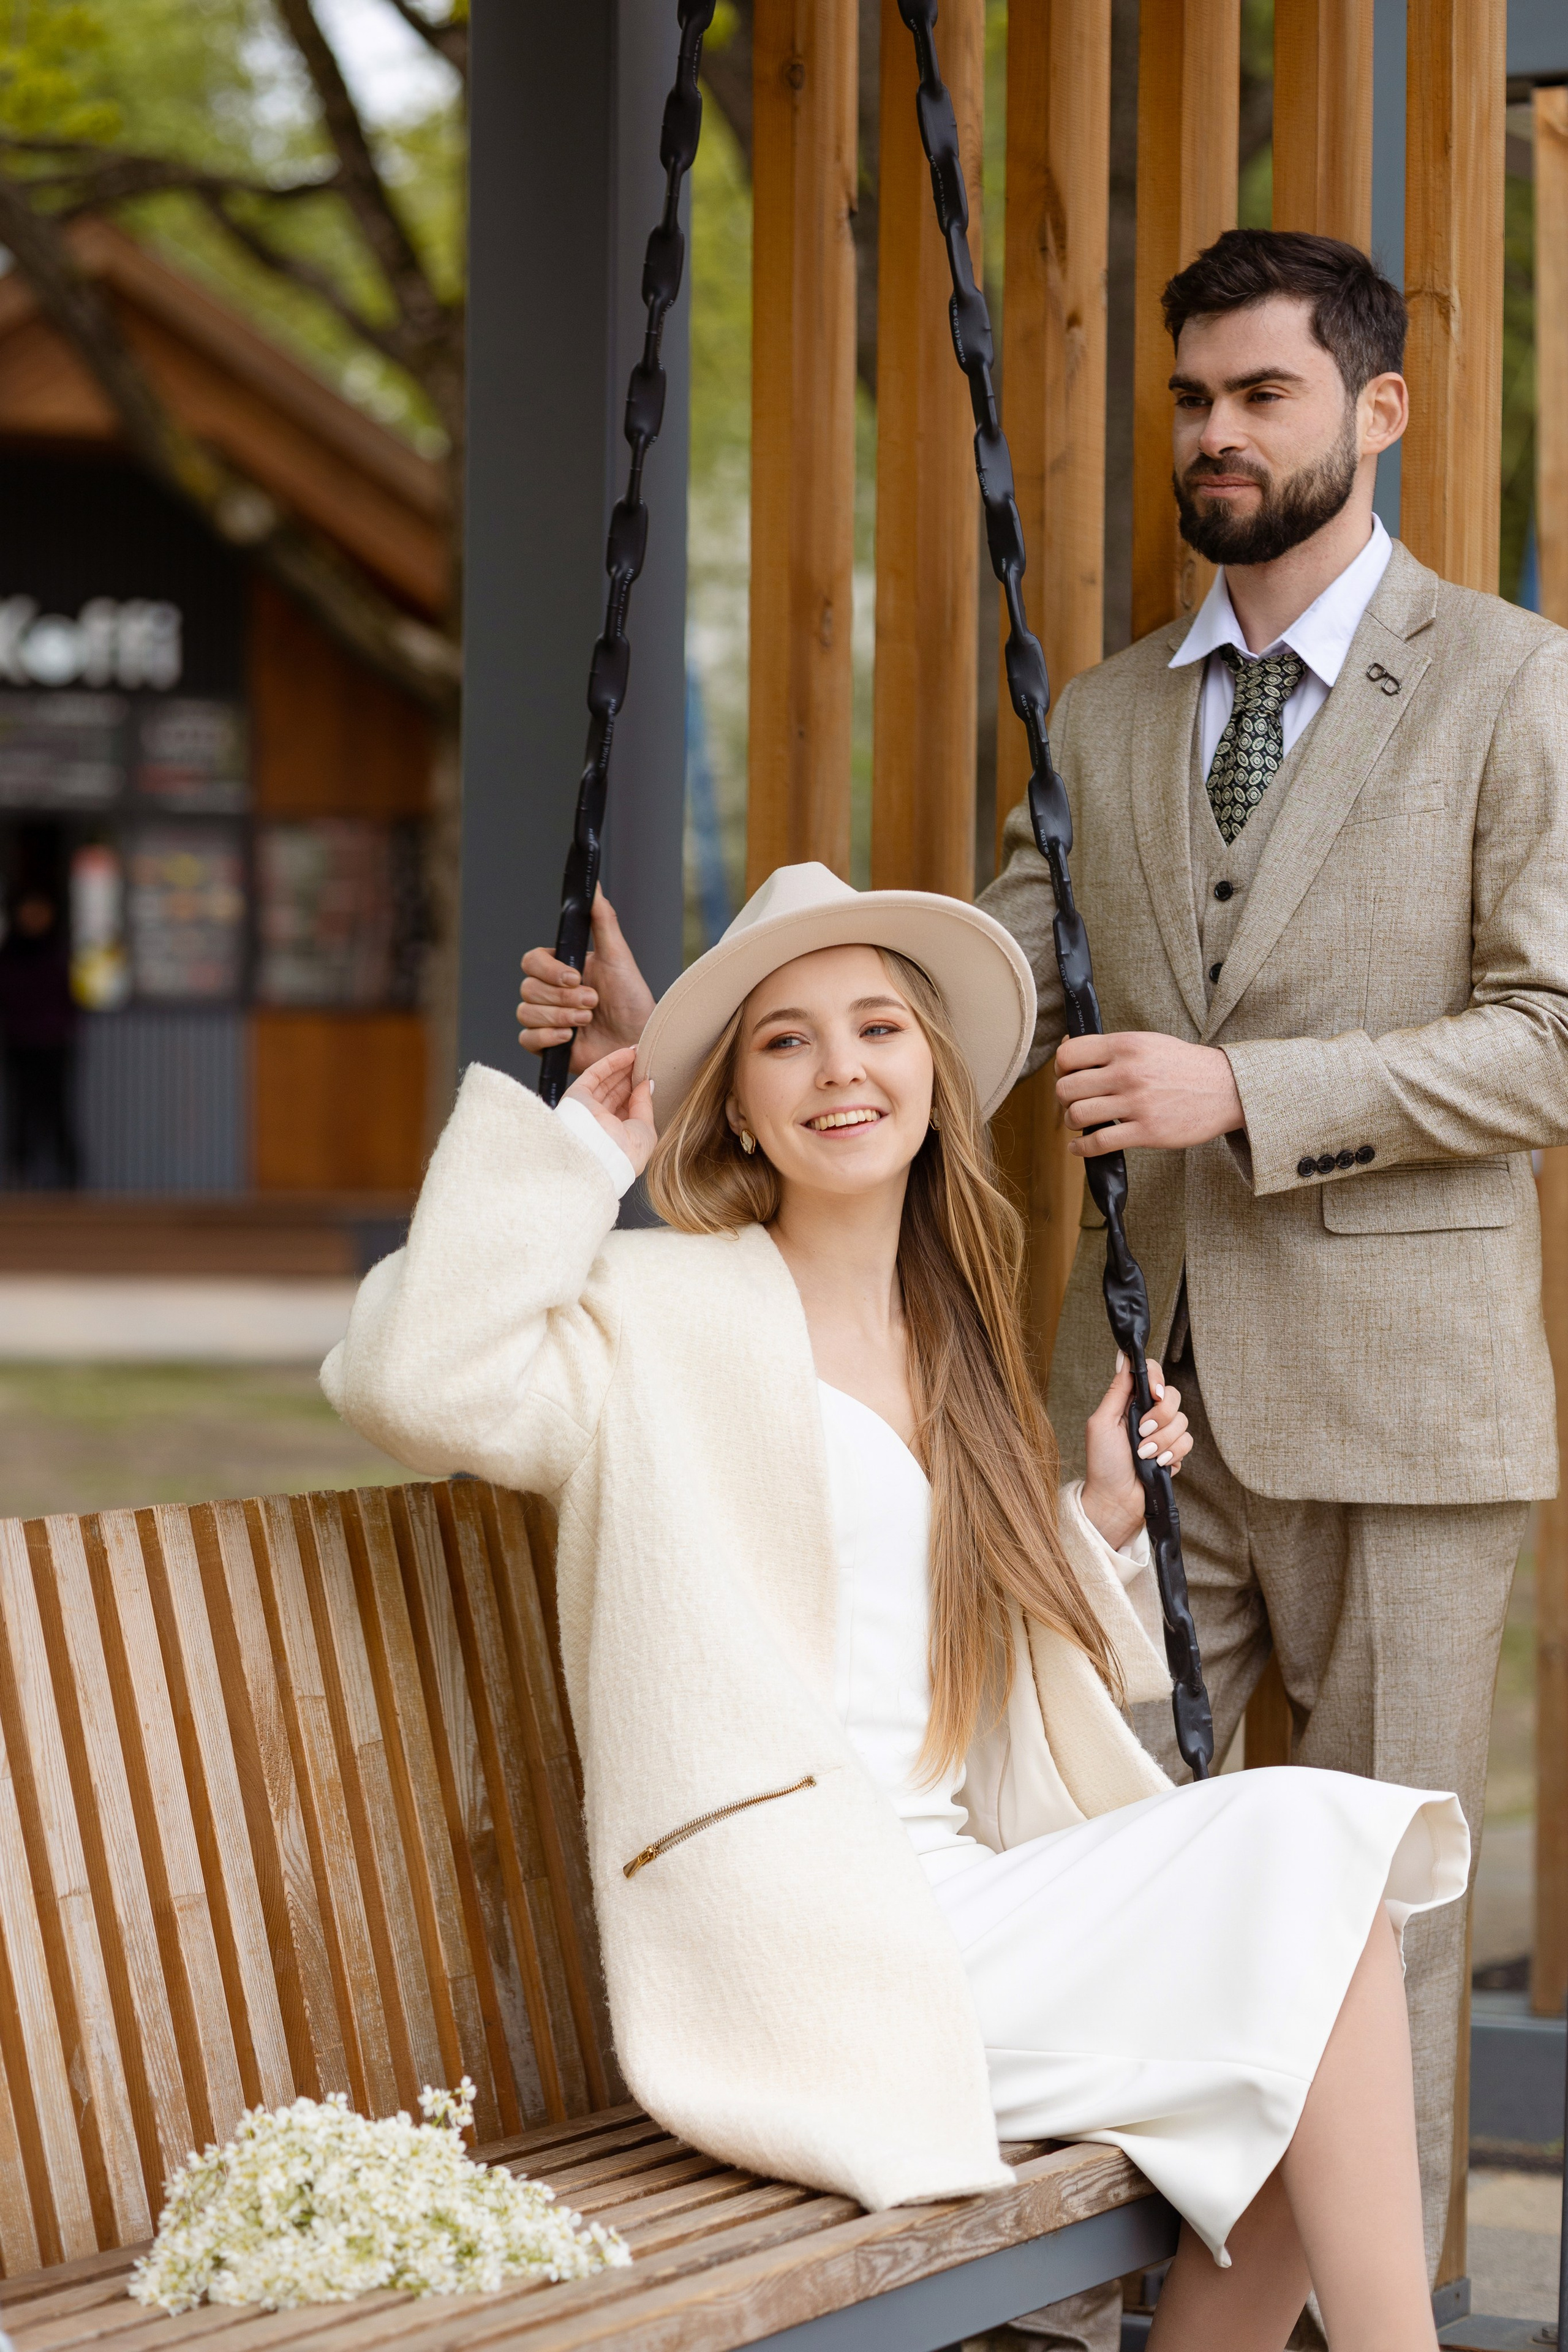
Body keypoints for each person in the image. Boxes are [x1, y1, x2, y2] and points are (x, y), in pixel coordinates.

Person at [519, 231, 1568, 2323]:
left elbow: (1551, 1032)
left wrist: (1241, 1091)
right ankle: (1113, 2321)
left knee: (1377, 1926)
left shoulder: (1510, 681)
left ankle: (1393, 2316)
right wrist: (697, 1024)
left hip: (1407, 1401)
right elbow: (939, 992)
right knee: (1143, 1892)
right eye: (1193, 401)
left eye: (1264, 396)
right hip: (1131, 1423)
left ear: (1377, 412)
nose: (1218, 436)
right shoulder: (1099, 714)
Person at [329, 861, 1467, 2351]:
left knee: (1301, 2002)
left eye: (875, 1026)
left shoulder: (951, 1344)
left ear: (927, 1067)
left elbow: (944, 1675)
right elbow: (408, 1377)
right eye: (783, 1039)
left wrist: (1098, 1517)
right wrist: (573, 1152)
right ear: (733, 1102)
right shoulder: (655, 1315)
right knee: (1309, 1880)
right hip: (813, 1934)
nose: (839, 1068)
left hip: (962, 1891)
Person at [0, 889, 81, 1189]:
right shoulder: (10, 954)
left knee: (59, 1109)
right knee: (20, 1109)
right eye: (29, 912)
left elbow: (74, 996)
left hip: (55, 1042)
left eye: (40, 912)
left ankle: (69, 1175)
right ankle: (19, 1172)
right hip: (19, 1042)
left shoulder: (59, 952)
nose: (34, 919)